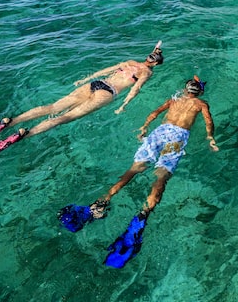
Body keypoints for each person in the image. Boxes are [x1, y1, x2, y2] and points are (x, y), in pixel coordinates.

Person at [57, 76, 218, 268]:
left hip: (160, 131)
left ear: (185, 90)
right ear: (199, 92)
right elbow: (208, 121)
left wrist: (144, 127)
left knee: (133, 170)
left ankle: (103, 201)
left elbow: (155, 113)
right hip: (178, 136)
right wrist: (210, 138)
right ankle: (142, 215)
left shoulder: (174, 100)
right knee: (161, 177)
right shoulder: (201, 103)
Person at [0, 42, 164, 163]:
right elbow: (135, 89)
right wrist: (123, 105)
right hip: (108, 92)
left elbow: (106, 70)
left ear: (148, 56)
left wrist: (84, 79)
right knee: (63, 118)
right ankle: (25, 133)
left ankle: (12, 121)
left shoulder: (130, 62)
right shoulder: (146, 72)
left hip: (97, 83)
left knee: (52, 108)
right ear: (156, 63)